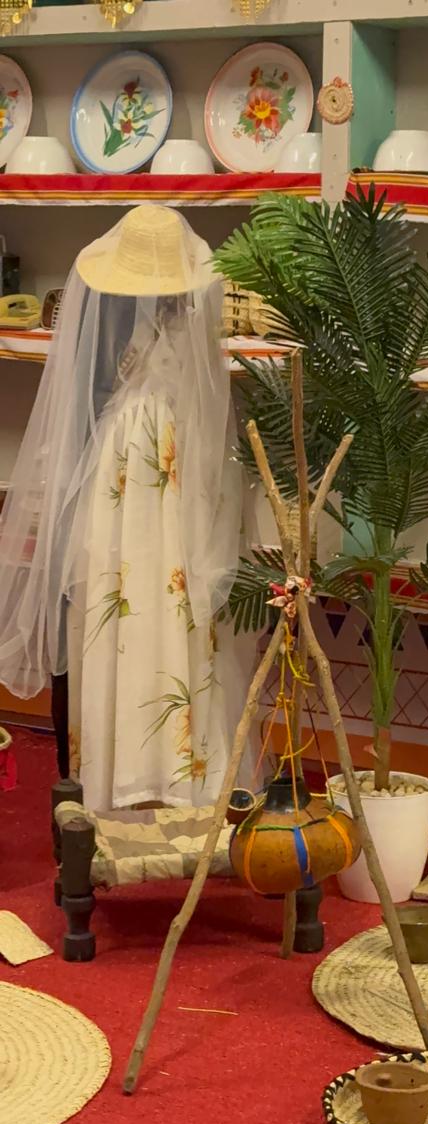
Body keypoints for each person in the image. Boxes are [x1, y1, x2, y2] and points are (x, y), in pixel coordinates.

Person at [0, 205, 255, 810]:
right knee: (130, 611)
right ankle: (128, 774)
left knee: (151, 611)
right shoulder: (119, 321)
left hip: (145, 480)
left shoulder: (151, 319)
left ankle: (153, 771)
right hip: (136, 480)